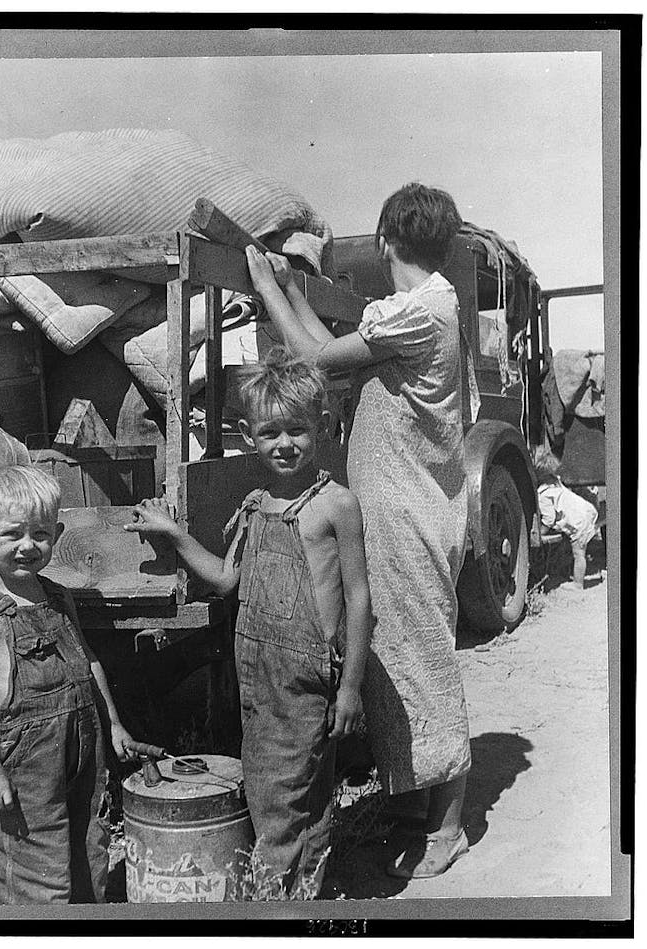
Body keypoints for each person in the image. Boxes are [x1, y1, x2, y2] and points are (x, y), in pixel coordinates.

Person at [243, 182, 472, 879]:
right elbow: (326, 347)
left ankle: (451, 824)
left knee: (424, 657)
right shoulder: (422, 307)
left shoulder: (420, 307)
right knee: (391, 657)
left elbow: (310, 359)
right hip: (397, 506)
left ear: (383, 242)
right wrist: (288, 292)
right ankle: (410, 803)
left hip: (409, 510)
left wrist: (268, 285)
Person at [124, 349, 372, 898]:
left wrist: (351, 686)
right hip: (258, 674)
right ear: (247, 435)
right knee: (284, 793)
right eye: (270, 432)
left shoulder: (336, 504)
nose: (285, 444)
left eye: (298, 431)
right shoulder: (255, 503)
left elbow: (359, 600)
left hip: (307, 676)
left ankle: (270, 907)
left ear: (323, 428)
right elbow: (225, 579)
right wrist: (172, 532)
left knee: (283, 800)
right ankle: (303, 898)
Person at [0, 464, 135, 904]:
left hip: (81, 751)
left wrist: (113, 725)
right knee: (34, 869)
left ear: (56, 532)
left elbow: (87, 661)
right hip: (23, 767)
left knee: (87, 848)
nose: (27, 546)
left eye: (39, 534)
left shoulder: (58, 596)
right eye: (12, 534)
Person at [534, 445, 599, 587]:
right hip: (585, 511)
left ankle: (578, 584)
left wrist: (539, 532)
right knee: (580, 550)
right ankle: (584, 575)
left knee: (579, 554)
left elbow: (549, 519)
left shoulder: (543, 495)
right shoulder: (554, 481)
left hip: (579, 522)